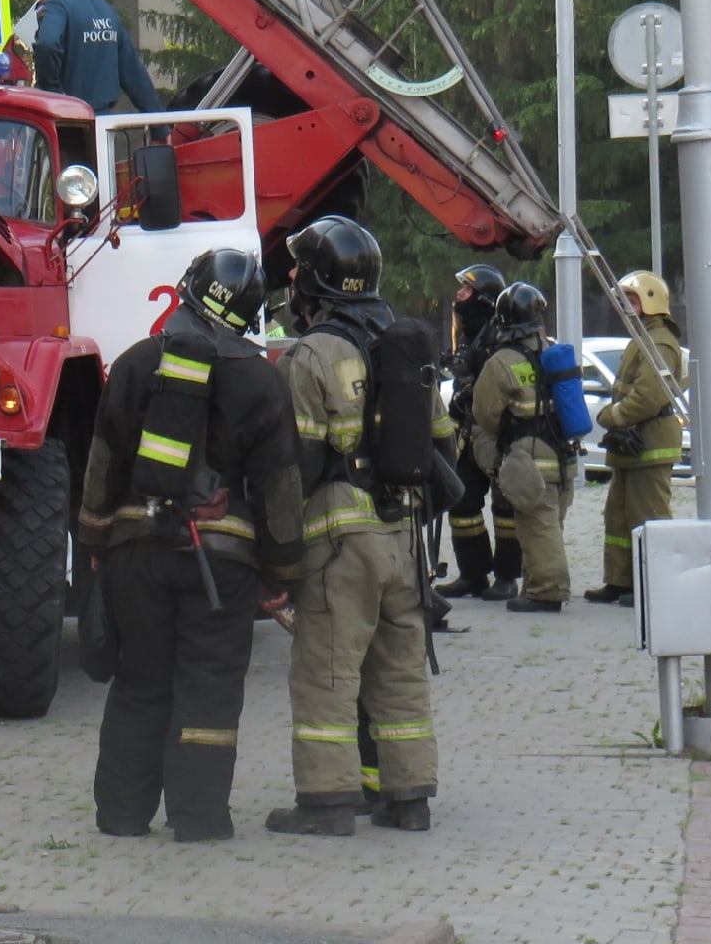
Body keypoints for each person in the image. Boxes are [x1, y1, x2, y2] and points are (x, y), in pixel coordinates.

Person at [78, 247, 304, 842]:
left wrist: (97, 541)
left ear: (187, 291)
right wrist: (281, 571)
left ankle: (122, 817)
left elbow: (102, 462)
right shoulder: (261, 381)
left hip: (136, 556)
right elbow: (280, 485)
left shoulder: (135, 363)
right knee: (208, 691)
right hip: (221, 569)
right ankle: (199, 820)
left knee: (140, 682)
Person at [270, 216, 457, 837]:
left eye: (299, 269)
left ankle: (325, 805)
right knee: (400, 671)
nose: (291, 279)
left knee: (327, 671)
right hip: (404, 536)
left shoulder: (311, 355)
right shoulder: (406, 344)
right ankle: (409, 801)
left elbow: (295, 463)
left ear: (317, 281)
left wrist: (278, 551)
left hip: (340, 540)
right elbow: (442, 440)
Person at [470, 283, 573, 612]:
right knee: (548, 524)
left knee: (538, 527)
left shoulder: (501, 362)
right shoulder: (553, 352)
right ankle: (534, 584)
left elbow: (484, 414)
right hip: (562, 455)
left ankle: (547, 592)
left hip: (528, 458)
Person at [588, 270, 685, 606]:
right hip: (633, 443)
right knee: (618, 517)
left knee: (649, 518)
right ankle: (621, 582)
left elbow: (647, 397)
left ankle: (653, 586)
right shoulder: (642, 337)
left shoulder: (658, 342)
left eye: (631, 300)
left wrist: (612, 417)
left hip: (650, 443)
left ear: (650, 302)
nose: (624, 307)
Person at [444, 264, 523, 601]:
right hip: (470, 428)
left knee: (505, 508)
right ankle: (473, 574)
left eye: (467, 290)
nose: (460, 295)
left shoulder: (500, 334)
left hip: (499, 432)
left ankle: (507, 578)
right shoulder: (468, 331)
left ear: (485, 298)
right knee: (461, 500)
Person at [30, 0, 161, 115]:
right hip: (102, 126)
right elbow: (133, 72)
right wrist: (159, 126)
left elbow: (47, 44)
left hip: (67, 121)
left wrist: (51, 93)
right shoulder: (107, 11)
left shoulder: (57, 6)